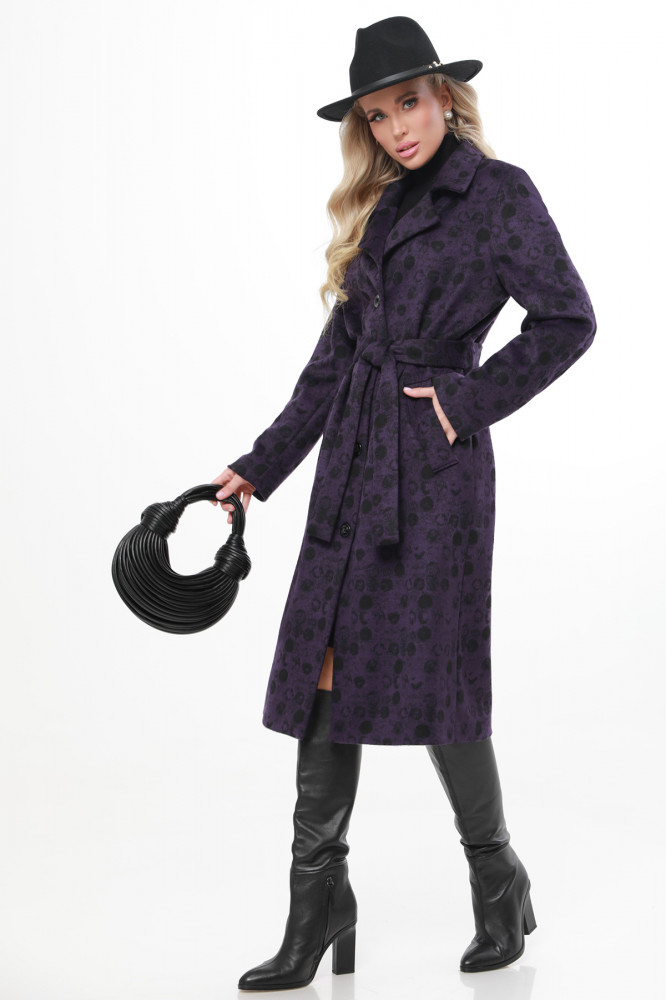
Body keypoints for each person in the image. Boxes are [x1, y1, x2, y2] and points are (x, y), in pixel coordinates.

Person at [211, 15, 596, 992]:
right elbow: (334, 362)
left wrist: (466, 401)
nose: (396, 129)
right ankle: (317, 905)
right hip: (351, 465)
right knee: (323, 672)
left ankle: (497, 880)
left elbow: (568, 319)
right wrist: (258, 465)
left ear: (446, 98)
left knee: (438, 680)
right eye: (378, 116)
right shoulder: (380, 208)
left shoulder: (498, 194)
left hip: (434, 473)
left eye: (409, 104)